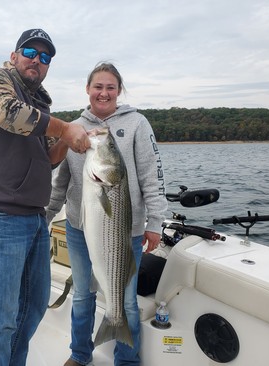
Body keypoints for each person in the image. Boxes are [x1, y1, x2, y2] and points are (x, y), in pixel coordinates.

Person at [0, 28, 90, 366]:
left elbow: (48, 159)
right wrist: (65, 128)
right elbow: (4, 113)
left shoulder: (40, 104)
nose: (37, 59)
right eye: (30, 52)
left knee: (32, 309)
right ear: (14, 55)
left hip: (36, 219)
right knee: (0, 318)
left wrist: (68, 138)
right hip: (0, 217)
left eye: (45, 56)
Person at [46, 62, 168, 366]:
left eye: (110, 87)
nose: (104, 93)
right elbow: (61, 180)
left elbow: (152, 176)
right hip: (79, 228)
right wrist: (46, 216)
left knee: (126, 301)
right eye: (98, 87)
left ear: (119, 91)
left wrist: (155, 223)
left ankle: (127, 360)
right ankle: (80, 354)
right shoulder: (73, 128)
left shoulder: (138, 123)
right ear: (88, 90)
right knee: (83, 296)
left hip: (126, 230)